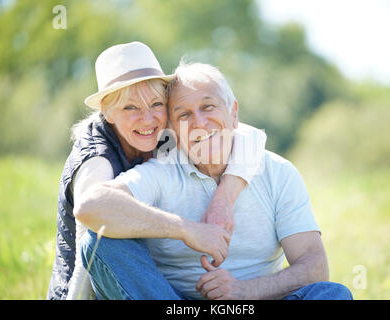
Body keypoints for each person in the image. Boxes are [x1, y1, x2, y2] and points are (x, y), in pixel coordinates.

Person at [75, 61, 353, 300]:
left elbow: (315, 267)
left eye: (208, 107)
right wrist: (186, 229)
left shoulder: (278, 172)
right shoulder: (161, 171)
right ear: (171, 127)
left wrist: (243, 291)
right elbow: (90, 206)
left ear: (233, 113)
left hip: (254, 299)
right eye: (184, 114)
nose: (199, 123)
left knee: (332, 294)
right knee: (99, 241)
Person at [46, 41, 266, 300]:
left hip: (146, 286)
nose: (148, 119)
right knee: (104, 236)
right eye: (130, 107)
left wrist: (224, 197)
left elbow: (249, 136)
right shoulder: (97, 158)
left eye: (156, 104)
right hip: (94, 290)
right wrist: (186, 229)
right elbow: (90, 222)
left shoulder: (163, 135)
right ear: (107, 111)